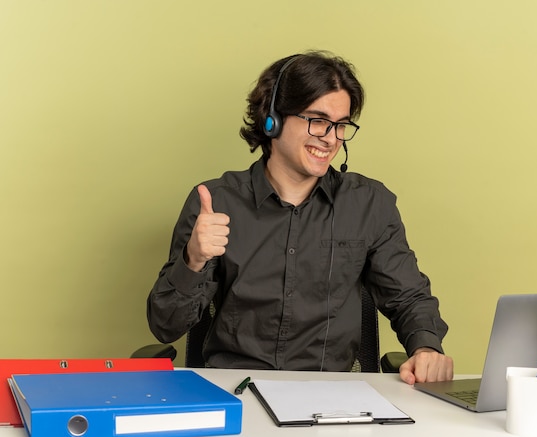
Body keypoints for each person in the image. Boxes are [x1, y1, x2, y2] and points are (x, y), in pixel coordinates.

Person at [147, 50, 454, 384]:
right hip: (236, 390)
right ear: (273, 119)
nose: (331, 137)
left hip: (331, 398)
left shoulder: (369, 204)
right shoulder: (215, 202)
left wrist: (426, 347)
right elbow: (165, 326)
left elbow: (408, 296)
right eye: (318, 120)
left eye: (341, 125)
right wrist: (194, 260)